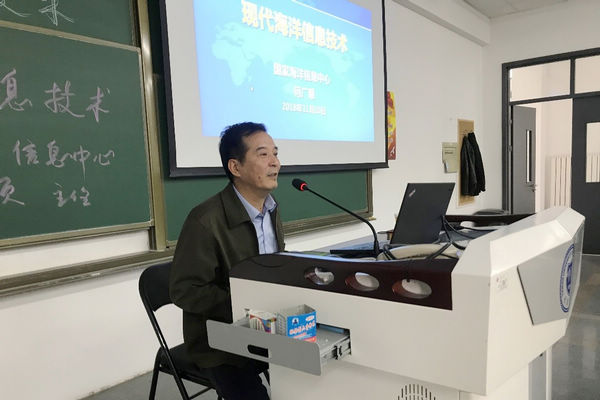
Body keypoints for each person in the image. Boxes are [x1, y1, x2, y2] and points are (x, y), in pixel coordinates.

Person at [169, 122, 284, 399]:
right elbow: (185, 291)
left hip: (267, 328)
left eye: (275, 153)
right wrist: (244, 306)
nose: (275, 163)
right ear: (235, 167)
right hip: (219, 343)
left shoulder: (271, 209)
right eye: (263, 154)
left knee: (316, 374)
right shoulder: (205, 220)